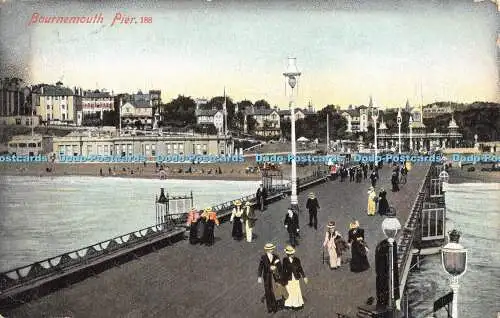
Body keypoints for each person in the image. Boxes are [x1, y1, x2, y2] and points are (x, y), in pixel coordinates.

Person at [375, 238, 400, 308]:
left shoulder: (380, 247)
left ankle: (384, 301)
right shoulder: (384, 246)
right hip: (387, 289)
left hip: (384, 288)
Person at [257, 243, 282, 314]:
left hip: (274, 275)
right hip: (267, 275)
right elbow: (260, 267)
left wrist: (276, 267)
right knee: (268, 291)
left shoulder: (275, 256)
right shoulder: (263, 257)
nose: (271, 250)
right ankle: (270, 307)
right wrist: (259, 276)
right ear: (267, 250)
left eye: (272, 249)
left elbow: (279, 266)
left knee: (273, 289)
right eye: (270, 249)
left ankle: (274, 306)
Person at [282, 245, 308, 311]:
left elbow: (300, 268)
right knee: (290, 291)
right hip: (288, 278)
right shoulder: (285, 260)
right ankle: (290, 304)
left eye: (292, 253)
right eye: (290, 254)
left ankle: (297, 304)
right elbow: (283, 270)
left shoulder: (297, 260)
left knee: (296, 290)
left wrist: (304, 277)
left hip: (296, 277)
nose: (292, 255)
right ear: (288, 254)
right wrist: (283, 280)